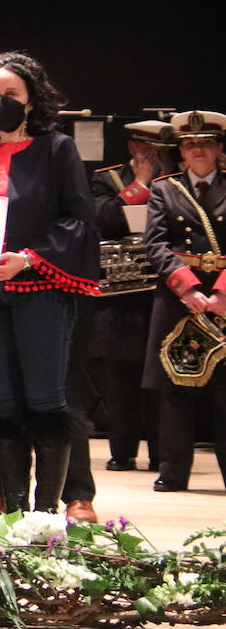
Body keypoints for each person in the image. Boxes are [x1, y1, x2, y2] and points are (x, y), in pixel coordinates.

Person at [0, 52, 100, 515]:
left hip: (40, 290)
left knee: (45, 398)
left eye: (10, 94)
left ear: (32, 100)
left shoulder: (57, 149)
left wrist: (28, 259)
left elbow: (79, 221)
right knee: (3, 400)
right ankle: (11, 508)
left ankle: (47, 510)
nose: (0, 102)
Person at [141, 110, 226, 492]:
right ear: (181, 151)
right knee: (177, 388)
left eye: (205, 143)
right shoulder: (164, 189)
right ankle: (173, 472)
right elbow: (156, 244)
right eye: (190, 144)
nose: (198, 150)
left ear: (219, 148)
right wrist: (189, 289)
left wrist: (223, 293)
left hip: (224, 298)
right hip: (180, 298)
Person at [89, 119, 174, 472]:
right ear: (132, 148)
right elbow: (102, 218)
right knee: (120, 376)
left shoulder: (177, 183)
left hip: (163, 289)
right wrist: (139, 184)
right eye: (144, 149)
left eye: (157, 151)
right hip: (119, 295)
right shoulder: (107, 179)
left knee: (162, 374)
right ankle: (122, 451)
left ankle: (162, 453)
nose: (150, 156)